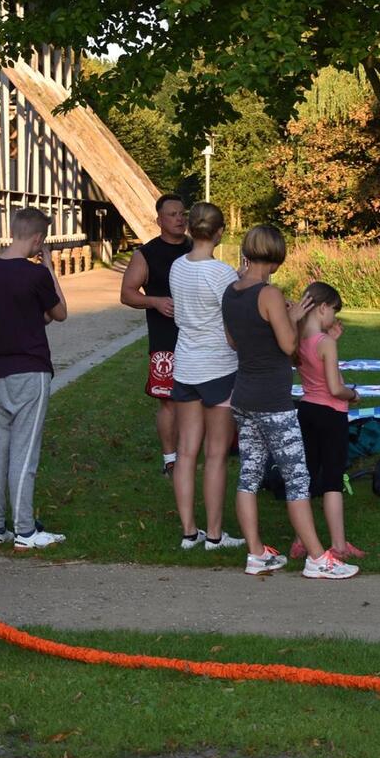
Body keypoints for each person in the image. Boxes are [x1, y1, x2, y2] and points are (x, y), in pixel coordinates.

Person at [223, 225, 359, 581]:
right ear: (275, 255)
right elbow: (287, 345)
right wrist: (293, 318)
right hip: (272, 400)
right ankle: (317, 558)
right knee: (298, 478)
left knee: (249, 476)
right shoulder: (269, 293)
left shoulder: (231, 292)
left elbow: (234, 341)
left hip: (243, 395)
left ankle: (256, 553)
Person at [0, 207, 68, 550]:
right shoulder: (36, 274)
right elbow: (59, 312)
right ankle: (25, 531)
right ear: (38, 238)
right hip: (30, 369)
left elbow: (26, 314)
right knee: (25, 452)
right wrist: (49, 268)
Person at [168, 201, 245, 553]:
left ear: (189, 228)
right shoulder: (222, 273)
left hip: (185, 365)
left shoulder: (177, 266)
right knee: (215, 454)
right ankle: (214, 534)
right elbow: (231, 325)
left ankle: (189, 532)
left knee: (186, 452)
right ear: (219, 232)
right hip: (219, 367)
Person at [119, 194, 192, 477]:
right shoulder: (146, 254)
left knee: (196, 400)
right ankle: (170, 459)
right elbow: (127, 294)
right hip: (165, 338)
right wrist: (155, 302)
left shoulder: (196, 248)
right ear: (158, 220)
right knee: (169, 400)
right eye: (172, 214)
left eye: (182, 213)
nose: (179, 219)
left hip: (198, 337)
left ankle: (190, 453)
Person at [292, 281, 364, 560]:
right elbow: (335, 388)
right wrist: (353, 394)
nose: (334, 317)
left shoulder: (297, 340)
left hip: (307, 410)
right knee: (333, 479)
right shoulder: (325, 344)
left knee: (307, 476)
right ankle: (339, 545)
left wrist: (331, 340)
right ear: (322, 308)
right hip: (331, 413)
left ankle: (301, 540)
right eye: (334, 310)